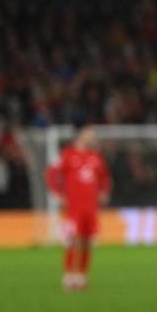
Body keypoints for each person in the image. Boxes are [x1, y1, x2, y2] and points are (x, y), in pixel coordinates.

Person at [45, 125, 111, 291]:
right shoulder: (68, 155)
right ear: (81, 137)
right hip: (74, 207)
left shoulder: (95, 157)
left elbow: (105, 178)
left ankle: (81, 276)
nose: (94, 138)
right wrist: (58, 194)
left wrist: (104, 191)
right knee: (73, 241)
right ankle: (69, 275)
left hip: (91, 207)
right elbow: (52, 174)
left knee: (88, 242)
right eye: (91, 135)